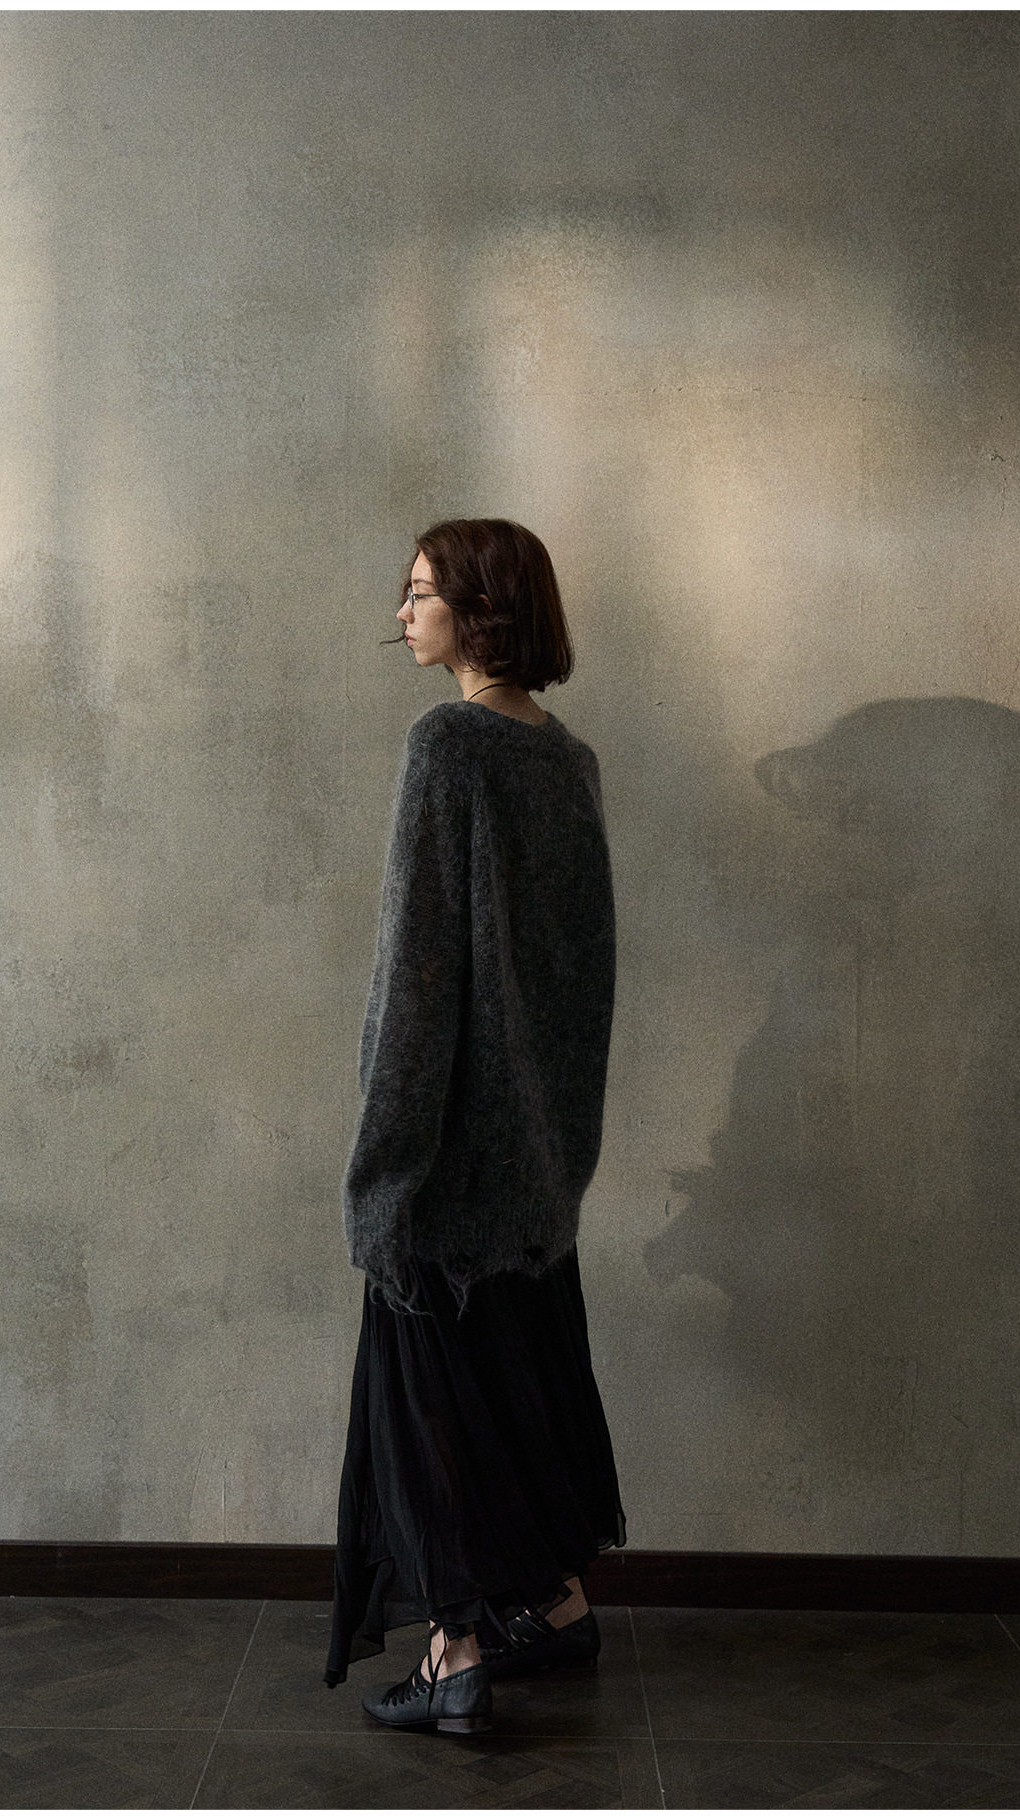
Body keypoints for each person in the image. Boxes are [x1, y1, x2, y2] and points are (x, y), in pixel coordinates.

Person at [324, 517, 626, 1734]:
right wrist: (562, 1144)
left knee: (429, 1405)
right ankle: (553, 1606)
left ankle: (453, 1657)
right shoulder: (567, 757)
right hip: (535, 1152)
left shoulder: (446, 745)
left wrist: (385, 1163)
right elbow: (586, 977)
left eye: (420, 593)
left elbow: (418, 972)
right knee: (519, 1384)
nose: (403, 614)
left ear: (480, 607)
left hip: (450, 1151)